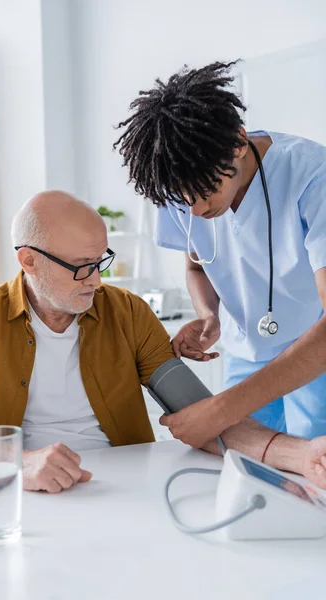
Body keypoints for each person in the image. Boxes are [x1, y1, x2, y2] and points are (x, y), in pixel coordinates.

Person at [0, 191, 326, 494]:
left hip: (124, 490)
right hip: (20, 498)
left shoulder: (127, 312)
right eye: (82, 268)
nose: (97, 281)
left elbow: (203, 414)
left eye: (100, 262)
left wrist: (302, 456)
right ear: (29, 261)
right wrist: (15, 463)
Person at [114, 60, 326, 449]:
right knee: (243, 462)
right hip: (246, 350)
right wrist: (208, 314)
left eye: (204, 189)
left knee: (315, 469)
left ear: (239, 143)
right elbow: (196, 265)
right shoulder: (178, 177)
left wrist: (222, 408)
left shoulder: (313, 178)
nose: (194, 209)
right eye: (182, 198)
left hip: (316, 349)